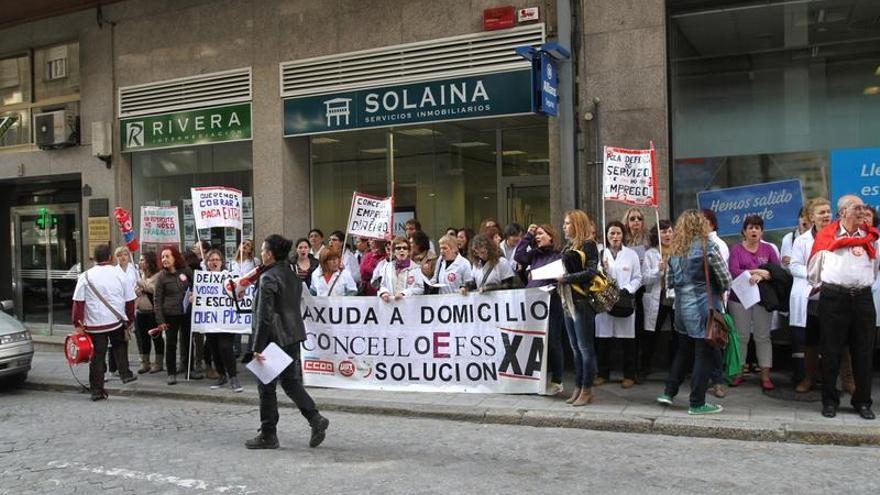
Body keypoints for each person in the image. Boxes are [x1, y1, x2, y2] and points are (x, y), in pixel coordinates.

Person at [246, 234, 330, 449]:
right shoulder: (292, 274)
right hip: (293, 334)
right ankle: (315, 418)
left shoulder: (268, 278)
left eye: (264, 250)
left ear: (271, 253)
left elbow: (264, 316)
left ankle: (268, 434)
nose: (261, 253)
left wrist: (257, 347)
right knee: (290, 381)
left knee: (266, 386)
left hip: (274, 338)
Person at [809, 195, 878, 420]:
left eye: (863, 208)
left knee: (864, 352)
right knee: (830, 352)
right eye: (857, 208)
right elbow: (814, 269)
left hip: (862, 299)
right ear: (843, 213)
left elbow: (876, 267)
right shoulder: (827, 236)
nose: (862, 212)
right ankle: (829, 401)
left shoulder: (871, 237)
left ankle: (862, 402)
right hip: (834, 298)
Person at [656, 209, 731, 415]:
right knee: (704, 354)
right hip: (704, 308)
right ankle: (697, 402)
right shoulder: (708, 247)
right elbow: (725, 280)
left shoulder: (675, 250)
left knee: (683, 351)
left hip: (681, 308)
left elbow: (669, 282)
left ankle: (669, 392)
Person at [72, 244, 137, 400]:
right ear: (110, 257)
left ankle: (96, 390)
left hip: (94, 325)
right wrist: (130, 320)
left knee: (97, 357)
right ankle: (125, 374)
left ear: (94, 258)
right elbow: (130, 301)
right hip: (116, 320)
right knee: (120, 346)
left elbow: (78, 303)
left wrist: (78, 324)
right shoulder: (119, 275)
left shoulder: (85, 276)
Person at [727, 215, 781, 390]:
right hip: (740, 298)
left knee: (763, 336)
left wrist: (765, 274)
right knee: (741, 336)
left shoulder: (769, 249)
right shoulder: (736, 249)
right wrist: (756, 271)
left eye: (758, 228)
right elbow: (733, 271)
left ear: (762, 231)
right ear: (744, 231)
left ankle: (765, 375)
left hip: (763, 299)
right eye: (750, 227)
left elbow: (777, 271)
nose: (754, 231)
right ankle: (739, 372)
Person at [557, 209, 601, 406]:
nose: (564, 227)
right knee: (575, 348)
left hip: (582, 301)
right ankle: (577, 386)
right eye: (564, 223)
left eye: (567, 223)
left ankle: (587, 388)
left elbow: (591, 272)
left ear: (577, 224)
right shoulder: (568, 245)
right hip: (567, 300)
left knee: (585, 348)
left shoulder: (589, 244)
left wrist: (566, 278)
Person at [515, 223, 565, 395]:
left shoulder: (558, 255)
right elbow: (519, 256)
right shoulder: (534, 254)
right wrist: (527, 235)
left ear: (550, 236)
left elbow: (555, 277)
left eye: (540, 234)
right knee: (533, 341)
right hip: (533, 304)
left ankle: (557, 380)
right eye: (535, 235)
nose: (537, 237)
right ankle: (534, 379)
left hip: (551, 303)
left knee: (553, 342)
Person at [789, 198, 832, 393]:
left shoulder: (838, 236)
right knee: (811, 340)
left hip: (834, 296)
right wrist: (813, 274)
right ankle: (809, 377)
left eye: (828, 212)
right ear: (812, 217)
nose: (826, 216)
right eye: (821, 213)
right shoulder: (801, 240)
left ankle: (838, 380)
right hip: (812, 297)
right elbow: (794, 265)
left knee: (836, 340)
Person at [594, 221, 642, 388]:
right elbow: (594, 278)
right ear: (606, 236)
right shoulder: (601, 254)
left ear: (623, 235)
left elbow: (638, 277)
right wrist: (603, 270)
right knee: (603, 338)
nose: (615, 237)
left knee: (627, 339)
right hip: (605, 301)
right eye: (611, 234)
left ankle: (629, 374)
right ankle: (602, 373)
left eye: (618, 233)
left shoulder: (631, 255)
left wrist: (628, 290)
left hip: (624, 300)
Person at [199, 249, 244, 393]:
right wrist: (194, 298)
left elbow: (239, 292)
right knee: (214, 348)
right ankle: (221, 375)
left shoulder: (228, 277)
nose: (214, 262)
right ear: (207, 263)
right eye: (211, 260)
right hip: (211, 321)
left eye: (217, 259)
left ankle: (234, 377)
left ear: (221, 262)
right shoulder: (202, 279)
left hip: (226, 321)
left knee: (225, 347)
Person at [639, 221, 675, 384]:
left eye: (669, 231)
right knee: (651, 334)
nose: (667, 235)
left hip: (675, 297)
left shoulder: (679, 251)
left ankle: (675, 368)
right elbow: (645, 278)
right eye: (663, 232)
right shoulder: (651, 254)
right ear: (657, 235)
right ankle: (644, 368)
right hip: (658, 297)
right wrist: (658, 270)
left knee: (677, 334)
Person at [153, 245, 193, 385]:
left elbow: (195, 286)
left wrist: (193, 295)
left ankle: (189, 368)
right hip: (170, 315)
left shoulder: (186, 271)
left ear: (175, 257)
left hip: (186, 313)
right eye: (162, 257)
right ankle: (171, 373)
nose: (164, 259)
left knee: (188, 342)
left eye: (167, 256)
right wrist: (160, 321)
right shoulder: (161, 277)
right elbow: (157, 300)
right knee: (171, 344)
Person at [109, 246, 139, 377]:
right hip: (118, 308)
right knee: (116, 339)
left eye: (125, 255)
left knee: (125, 338)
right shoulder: (113, 272)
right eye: (120, 255)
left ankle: (124, 364)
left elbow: (138, 285)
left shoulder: (134, 270)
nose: (123, 257)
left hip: (132, 305)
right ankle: (113, 367)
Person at [134, 251, 163, 374]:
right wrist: (137, 290)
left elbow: (153, 289)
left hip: (152, 312)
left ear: (149, 262)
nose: (140, 262)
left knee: (156, 337)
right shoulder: (140, 275)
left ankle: (158, 362)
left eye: (142, 260)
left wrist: (142, 285)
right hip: (140, 311)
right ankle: (144, 362)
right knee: (143, 338)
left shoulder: (158, 276)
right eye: (140, 260)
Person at [376, 236, 425, 301]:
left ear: (408, 251)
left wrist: (404, 293)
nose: (402, 250)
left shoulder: (415, 268)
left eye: (405, 248)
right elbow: (383, 285)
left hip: (409, 306)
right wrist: (384, 292)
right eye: (398, 248)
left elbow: (420, 289)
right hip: (391, 306)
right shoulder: (387, 267)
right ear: (393, 252)